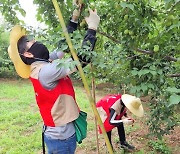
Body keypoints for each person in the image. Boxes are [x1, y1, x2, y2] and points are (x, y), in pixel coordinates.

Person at [8, 5, 100, 154]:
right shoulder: (45, 72)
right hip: (61, 139)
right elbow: (81, 59)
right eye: (31, 41)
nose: (36, 40)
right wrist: (92, 28)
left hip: (56, 135)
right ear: (29, 54)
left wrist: (74, 19)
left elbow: (63, 48)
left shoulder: (43, 63)